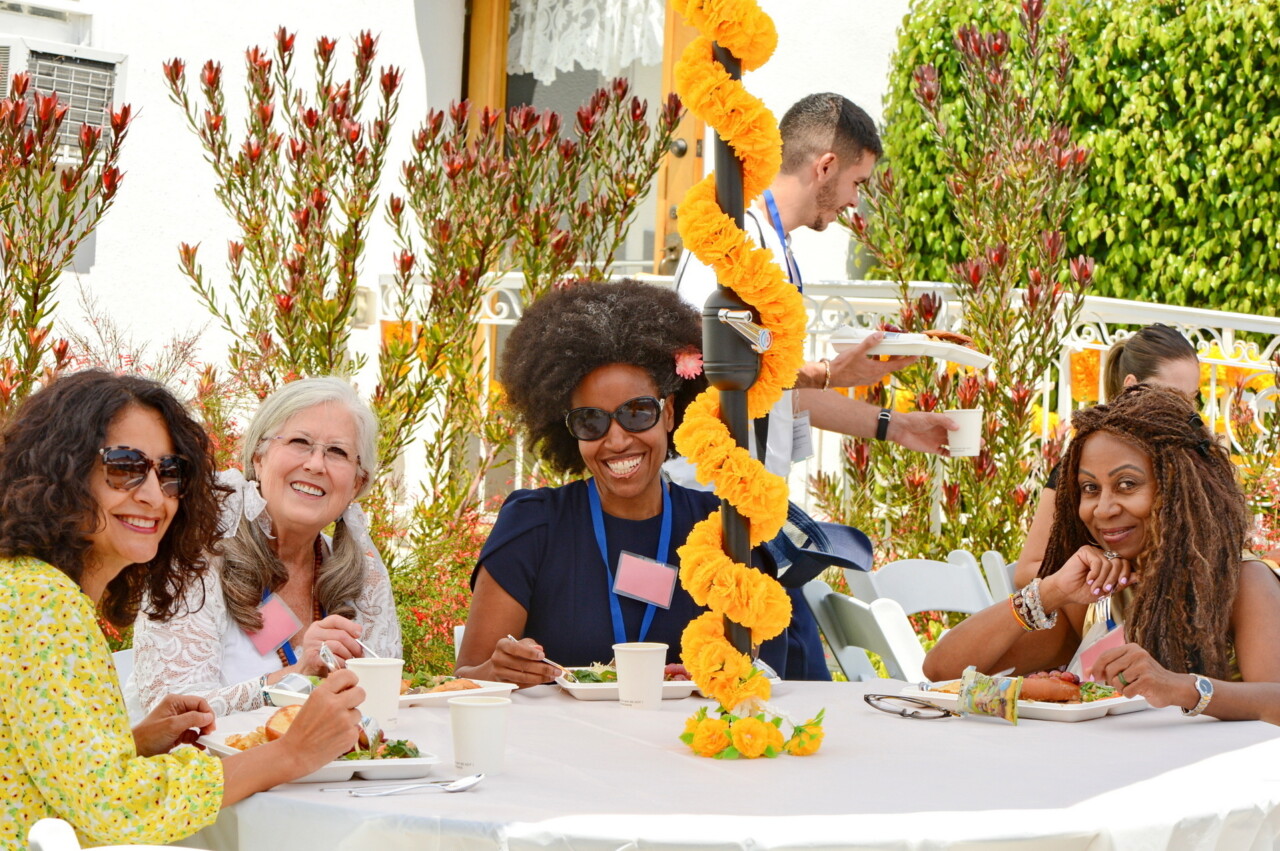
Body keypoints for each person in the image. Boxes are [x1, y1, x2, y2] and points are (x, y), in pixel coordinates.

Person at [0, 371, 364, 849]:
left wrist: (132, 741)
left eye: (169, 473)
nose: (154, 495)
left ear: (359, 482)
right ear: (62, 469)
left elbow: (39, 763)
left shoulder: (33, 590)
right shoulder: (42, 603)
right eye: (125, 466)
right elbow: (117, 807)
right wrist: (290, 754)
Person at [456, 280, 782, 683]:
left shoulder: (725, 529)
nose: (616, 440)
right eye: (591, 420)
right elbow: (468, 680)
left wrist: (718, 676)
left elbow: (765, 674)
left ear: (668, 413)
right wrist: (499, 670)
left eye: (637, 412)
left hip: (682, 743)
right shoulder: (533, 526)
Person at [923, 385, 1280, 720]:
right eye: (1090, 488)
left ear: (1178, 487)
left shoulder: (1242, 581)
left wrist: (1182, 687)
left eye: (1127, 484)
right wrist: (1049, 592)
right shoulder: (1099, 590)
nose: (1103, 508)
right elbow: (941, 672)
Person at [672, 92, 957, 475]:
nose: (856, 201)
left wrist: (898, 425)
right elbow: (709, 366)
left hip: (749, 498)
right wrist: (828, 373)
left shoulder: (773, 242)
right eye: (857, 182)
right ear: (826, 166)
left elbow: (782, 392)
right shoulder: (732, 237)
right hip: (708, 497)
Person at [130, 377, 400, 717]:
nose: (316, 464)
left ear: (358, 482)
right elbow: (172, 718)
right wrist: (298, 676)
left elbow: (383, 706)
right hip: (217, 769)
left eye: (337, 452)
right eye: (301, 442)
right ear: (258, 457)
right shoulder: (196, 561)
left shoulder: (363, 575)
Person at [1013, 324, 1200, 585]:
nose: (1184, 412)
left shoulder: (1190, 463)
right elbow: (1026, 572)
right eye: (1170, 396)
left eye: (1190, 399)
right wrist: (1105, 566)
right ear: (1131, 386)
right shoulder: (1084, 463)